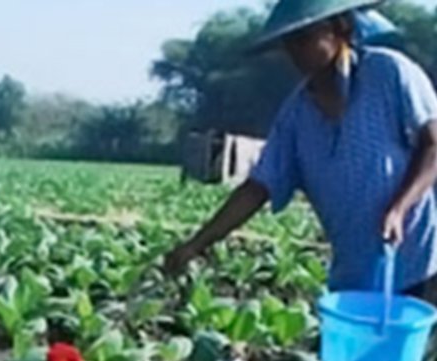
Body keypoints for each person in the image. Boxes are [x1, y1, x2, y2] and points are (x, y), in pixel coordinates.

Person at [164, 0, 437, 303]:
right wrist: (195, 245)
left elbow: (433, 143)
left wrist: (400, 207)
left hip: (420, 265)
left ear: (340, 28)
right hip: (353, 278)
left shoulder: (388, 73)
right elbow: (257, 188)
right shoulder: (296, 115)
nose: (295, 50)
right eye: (288, 42)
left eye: (304, 37)